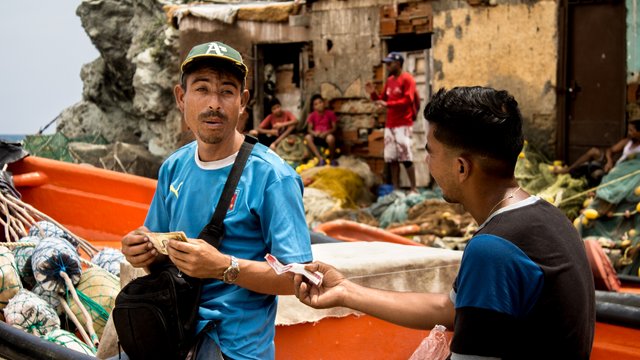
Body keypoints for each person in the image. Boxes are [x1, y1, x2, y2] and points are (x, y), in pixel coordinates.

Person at [294, 87, 595, 359]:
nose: (426, 162)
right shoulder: (549, 216)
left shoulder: (493, 250)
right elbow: (450, 310)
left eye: (430, 152)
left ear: (461, 167)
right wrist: (346, 291)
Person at [120, 41, 313, 360]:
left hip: (234, 348)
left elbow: (299, 277)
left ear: (242, 102)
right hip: (171, 331)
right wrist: (140, 250)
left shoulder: (272, 177)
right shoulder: (174, 167)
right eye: (202, 89)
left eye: (226, 91)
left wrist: (225, 267)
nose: (214, 103)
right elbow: (156, 250)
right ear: (181, 98)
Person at [366, 51, 418, 193]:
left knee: (406, 156)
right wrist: (372, 93)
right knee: (392, 158)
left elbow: (409, 100)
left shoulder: (407, 79)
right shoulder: (389, 80)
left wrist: (388, 104)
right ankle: (396, 188)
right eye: (386, 63)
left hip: (403, 123)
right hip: (390, 124)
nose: (387, 66)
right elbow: (382, 99)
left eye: (390, 63)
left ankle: (413, 187)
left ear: (398, 63)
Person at [554, 119, 640, 181]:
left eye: (631, 131)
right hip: (614, 166)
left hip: (622, 172)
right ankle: (569, 169)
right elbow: (610, 150)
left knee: (596, 174)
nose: (629, 133)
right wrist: (609, 161)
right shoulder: (627, 141)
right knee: (594, 151)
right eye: (629, 130)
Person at [305, 94, 338, 166]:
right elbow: (309, 129)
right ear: (313, 107)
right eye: (316, 104)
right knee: (308, 137)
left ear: (324, 103)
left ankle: (332, 159)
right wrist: (314, 133)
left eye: (320, 102)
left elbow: (334, 128)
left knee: (331, 138)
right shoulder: (312, 115)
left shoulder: (330, 113)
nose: (319, 105)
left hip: (326, 136)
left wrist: (326, 133)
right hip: (317, 136)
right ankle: (320, 159)